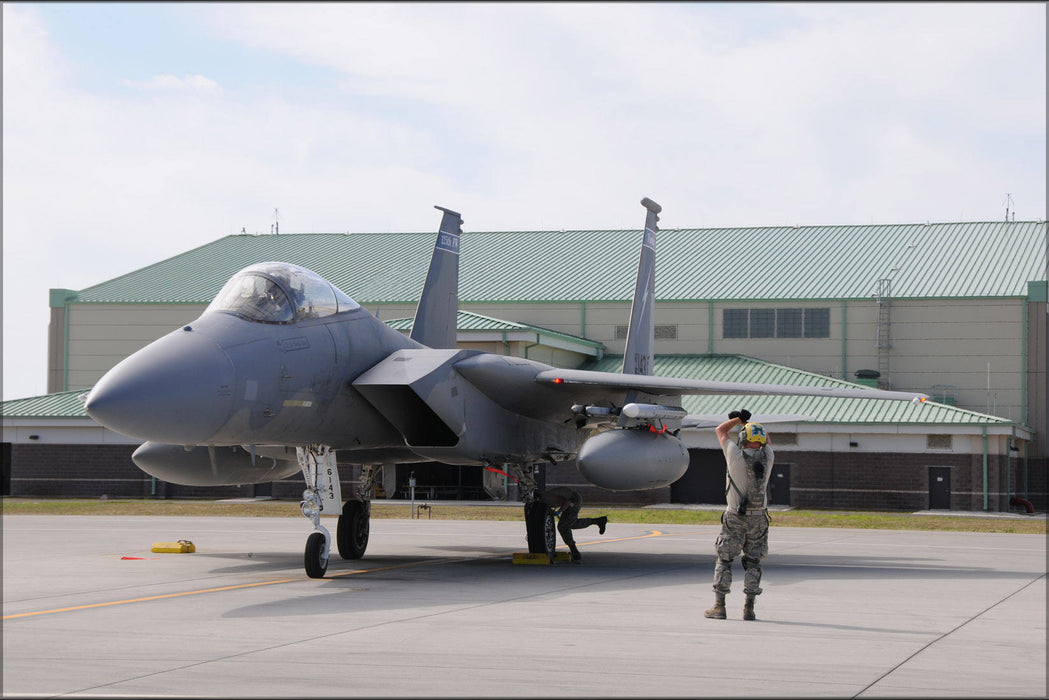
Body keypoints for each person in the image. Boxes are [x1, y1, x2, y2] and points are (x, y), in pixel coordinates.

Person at [704, 410, 774, 621]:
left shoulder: (734, 454)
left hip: (735, 516)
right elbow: (767, 439)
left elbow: (720, 430)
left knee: (724, 560)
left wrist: (739, 420)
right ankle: (749, 608)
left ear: (743, 438)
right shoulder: (768, 456)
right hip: (759, 518)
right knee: (754, 563)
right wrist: (751, 423)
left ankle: (719, 606)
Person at [540, 486, 608, 563]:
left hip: (573, 500)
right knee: (572, 524)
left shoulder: (547, 498)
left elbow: (567, 502)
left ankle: (574, 550)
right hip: (572, 500)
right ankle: (598, 521)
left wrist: (559, 512)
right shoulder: (545, 498)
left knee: (563, 526)